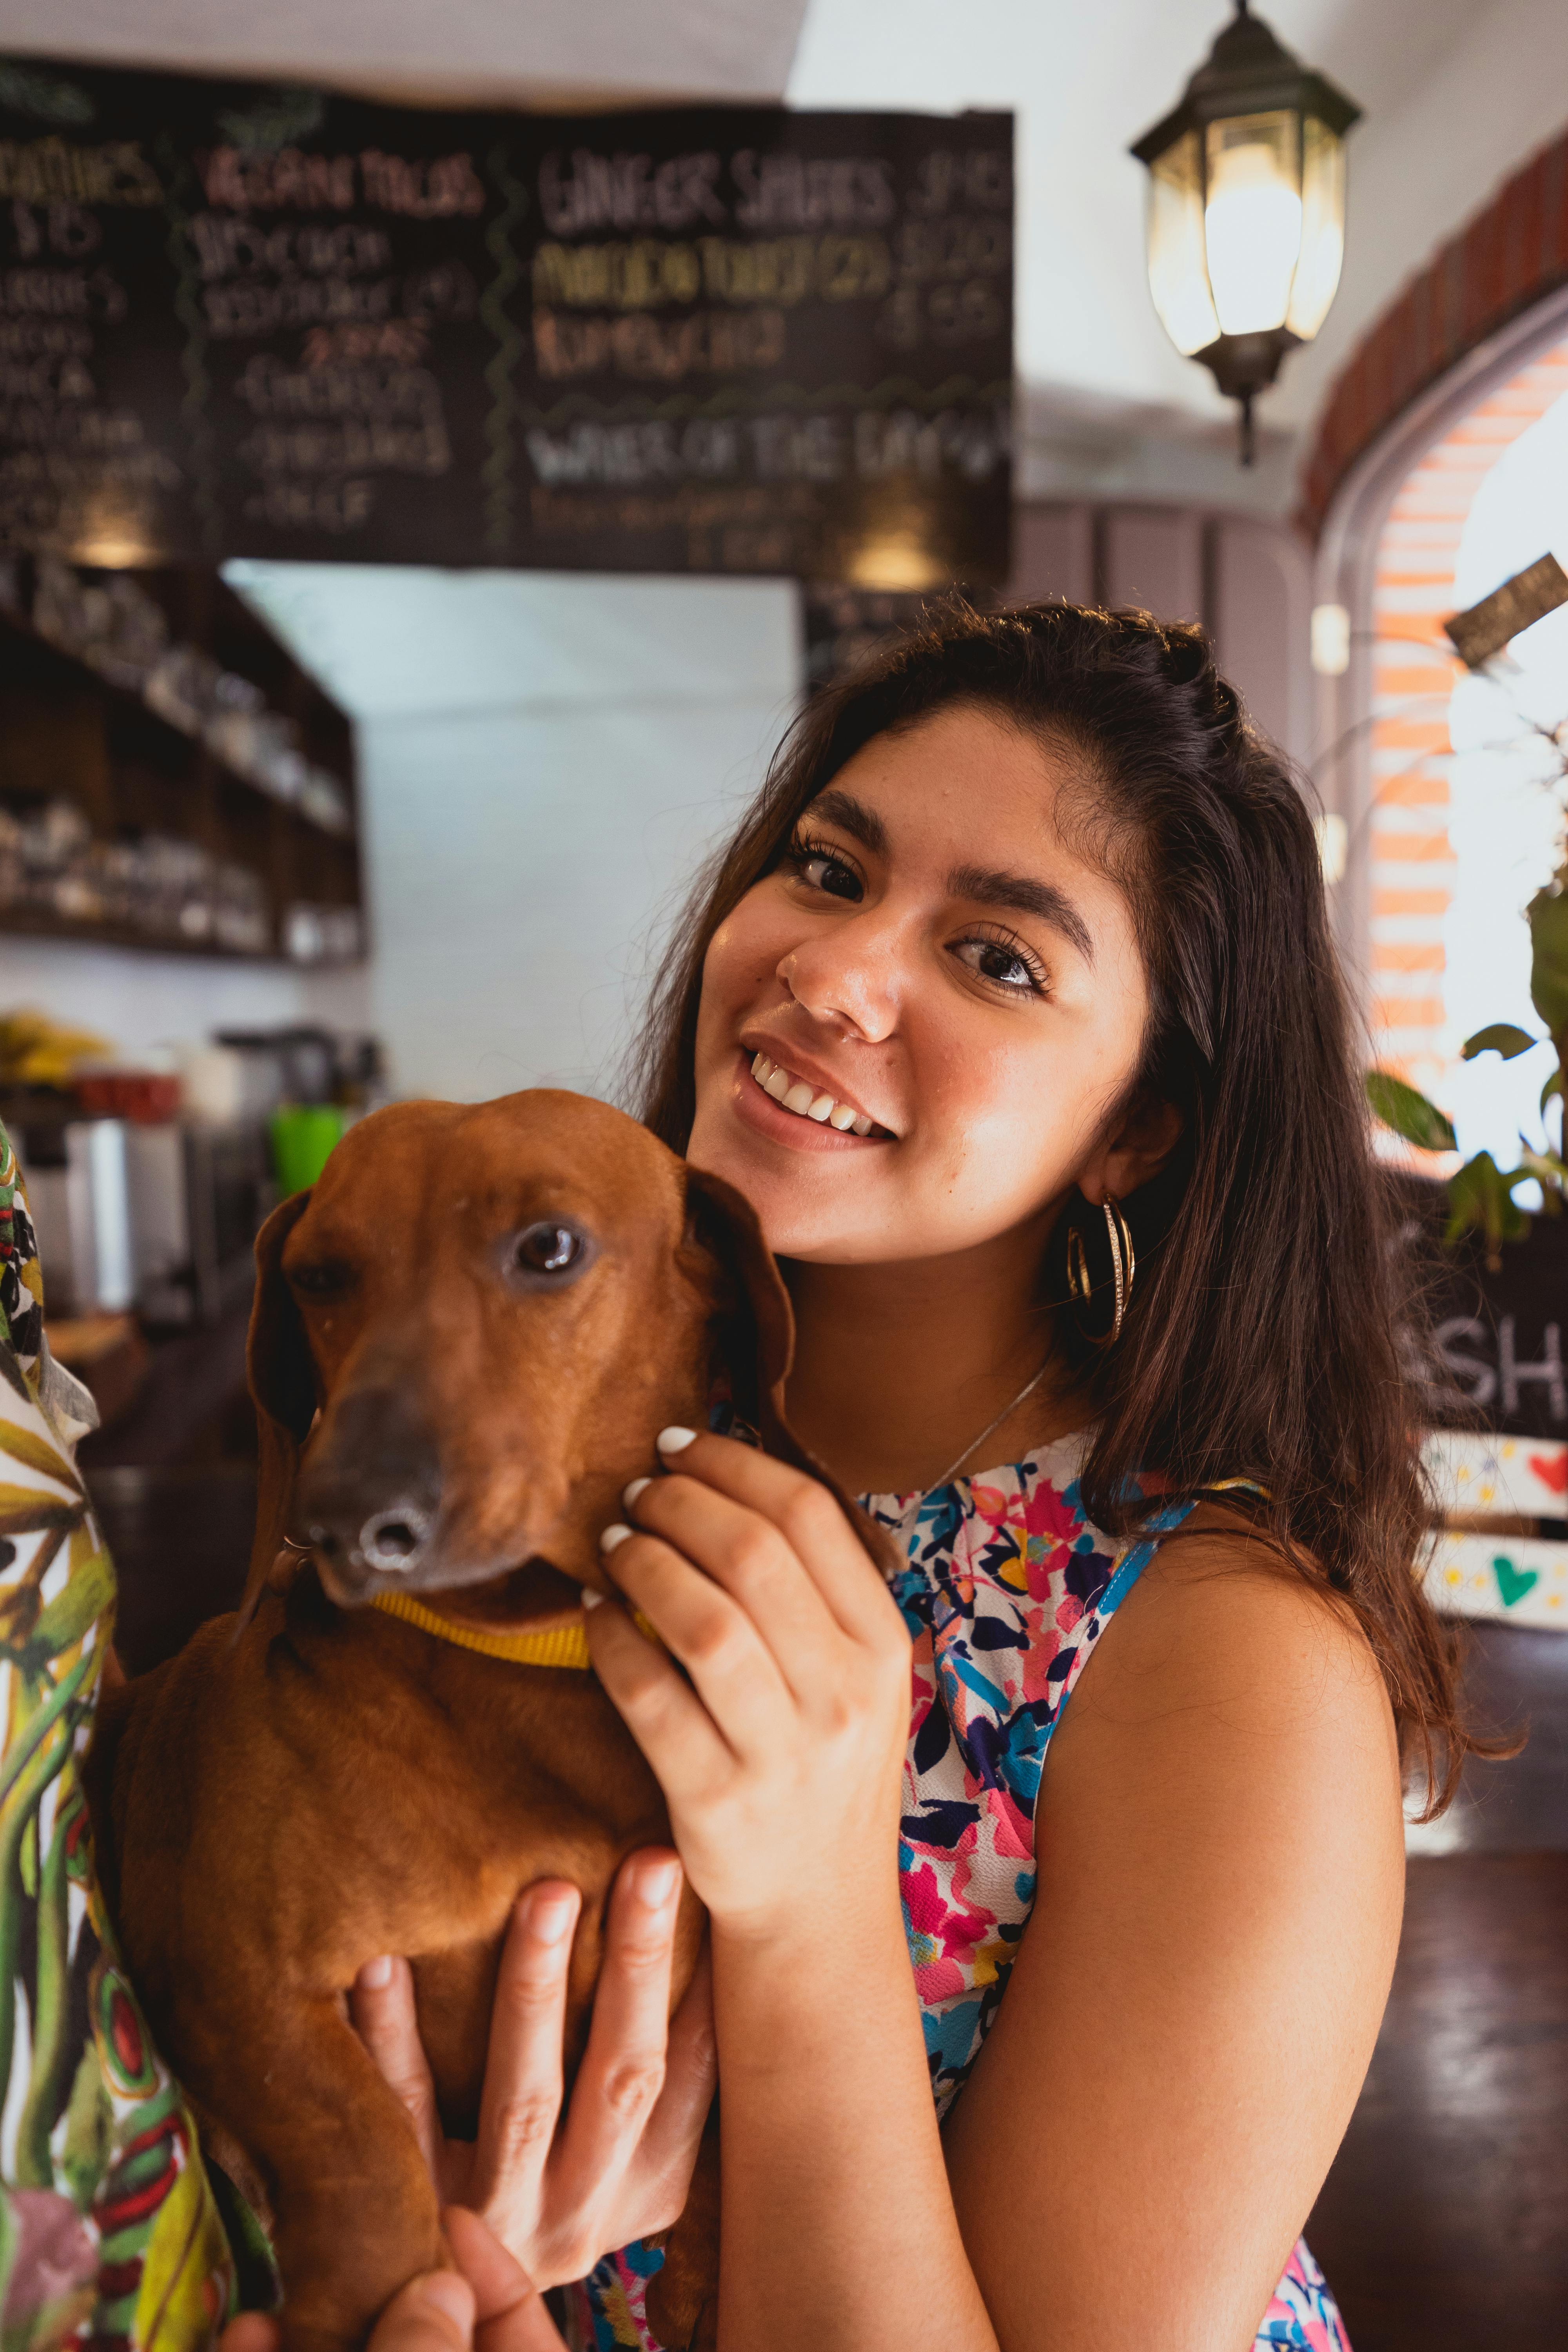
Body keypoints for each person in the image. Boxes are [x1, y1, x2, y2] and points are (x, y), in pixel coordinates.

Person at [355, 600, 1480, 2352]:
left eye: (998, 958)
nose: (830, 968)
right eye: (825, 868)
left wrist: (809, 1900)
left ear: (1137, 1128)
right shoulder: (534, 1465)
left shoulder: (1223, 1666)